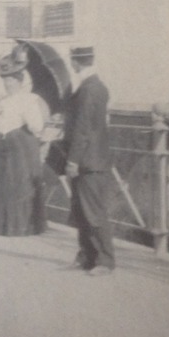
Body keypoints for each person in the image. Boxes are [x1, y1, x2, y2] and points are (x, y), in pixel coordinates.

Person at [0, 48, 49, 236]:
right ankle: (2, 225)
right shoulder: (3, 101)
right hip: (6, 145)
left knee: (20, 184)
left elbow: (36, 126)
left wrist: (27, 122)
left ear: (20, 81)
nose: (7, 83)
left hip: (22, 145)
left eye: (12, 79)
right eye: (5, 79)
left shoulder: (28, 100)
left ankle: (21, 225)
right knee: (3, 183)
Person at [62, 46, 115, 275]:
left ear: (75, 62)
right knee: (83, 211)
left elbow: (83, 128)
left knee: (93, 212)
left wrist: (73, 160)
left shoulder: (89, 89)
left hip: (89, 160)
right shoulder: (92, 86)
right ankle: (87, 256)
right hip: (90, 158)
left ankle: (105, 261)